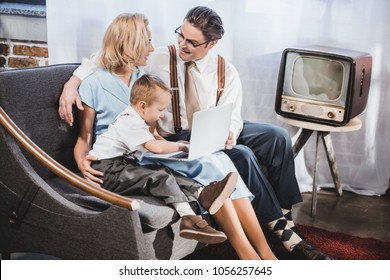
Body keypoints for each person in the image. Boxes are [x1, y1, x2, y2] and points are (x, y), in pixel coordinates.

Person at [58, 7, 331, 260]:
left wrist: (226, 134)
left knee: (269, 139)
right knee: (232, 160)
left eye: (191, 42)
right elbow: (91, 123)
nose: (178, 45)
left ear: (211, 44)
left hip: (172, 138)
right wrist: (74, 82)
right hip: (135, 154)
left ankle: (270, 240)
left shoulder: (146, 77)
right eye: (181, 36)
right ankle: (254, 252)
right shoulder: (144, 65)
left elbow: (220, 117)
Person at [89, 73, 277, 260]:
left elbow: (154, 140)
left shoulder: (138, 118)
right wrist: (183, 146)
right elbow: (156, 147)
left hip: (123, 164)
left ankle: (204, 193)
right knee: (159, 177)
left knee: (167, 174)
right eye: (160, 110)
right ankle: (189, 217)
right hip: (107, 169)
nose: (162, 114)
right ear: (143, 106)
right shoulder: (129, 121)